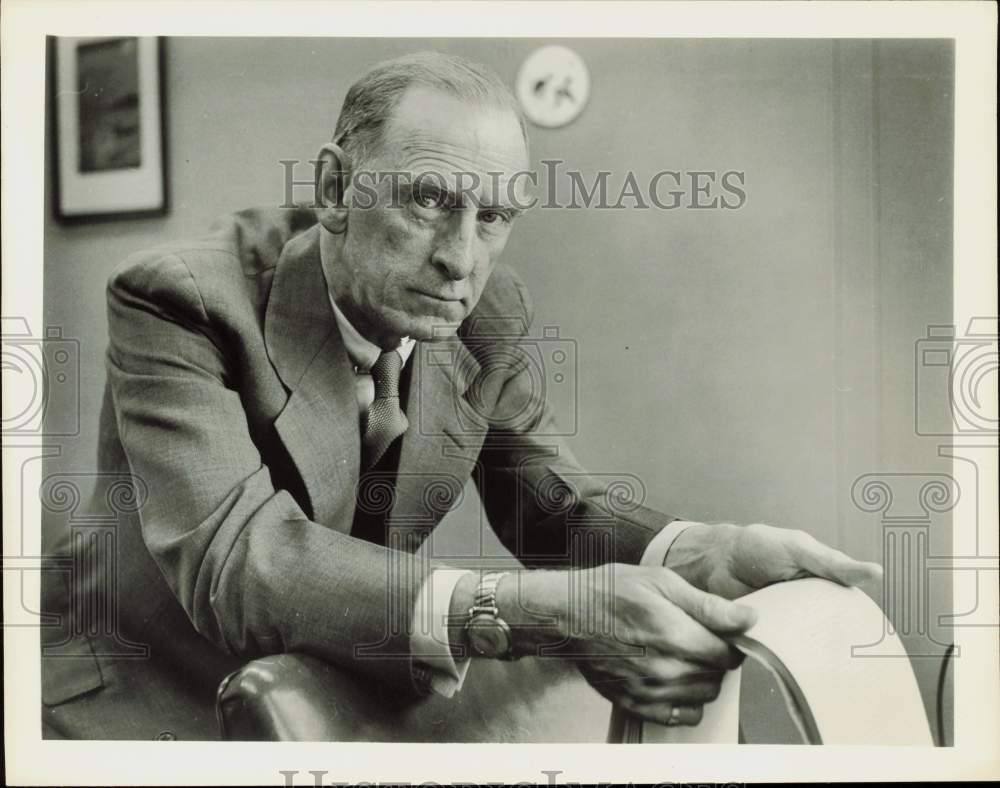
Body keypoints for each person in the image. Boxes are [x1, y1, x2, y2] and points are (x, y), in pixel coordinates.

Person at [41, 51, 881, 740]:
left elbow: (549, 507)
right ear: (335, 190)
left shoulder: (486, 310)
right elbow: (242, 567)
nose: (462, 259)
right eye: (431, 202)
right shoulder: (179, 298)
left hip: (327, 693)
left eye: (494, 216)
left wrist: (702, 549)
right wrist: (536, 612)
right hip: (136, 706)